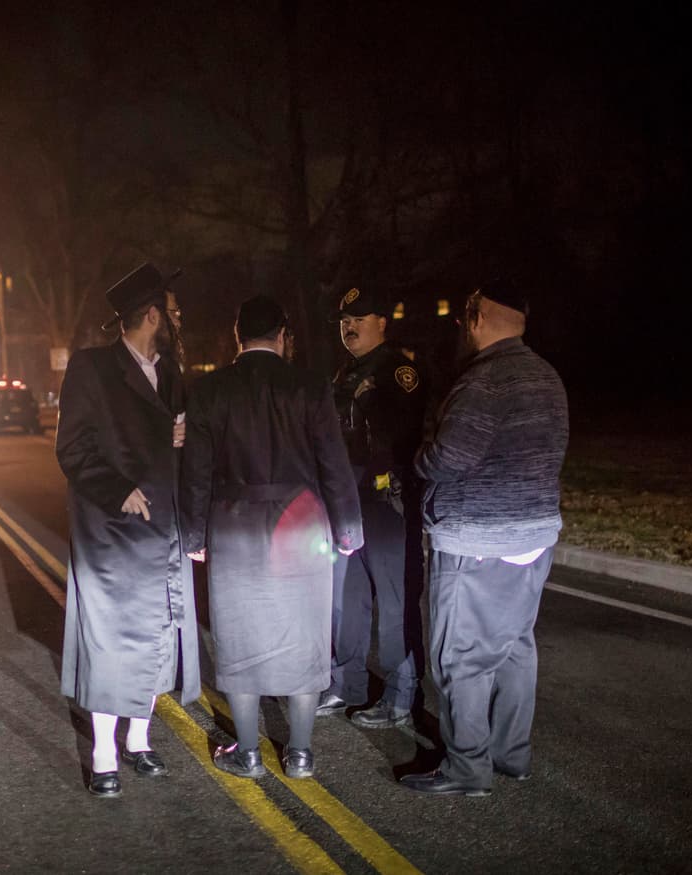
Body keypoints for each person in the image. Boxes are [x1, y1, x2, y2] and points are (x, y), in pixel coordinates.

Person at [181, 295, 363, 779]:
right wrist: (348, 528)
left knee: (238, 639)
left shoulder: (209, 390)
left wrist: (193, 534)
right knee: (306, 638)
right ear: (283, 336)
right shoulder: (309, 386)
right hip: (301, 522)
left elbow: (195, 472)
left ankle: (249, 754)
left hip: (234, 524)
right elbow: (333, 462)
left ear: (237, 337)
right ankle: (300, 755)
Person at [400, 279, 568, 797]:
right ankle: (510, 755)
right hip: (534, 535)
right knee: (516, 646)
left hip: (477, 537)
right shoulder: (547, 376)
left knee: (461, 657)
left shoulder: (483, 381)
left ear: (474, 316)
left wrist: (419, 458)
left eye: (463, 318)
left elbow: (449, 458)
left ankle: (467, 767)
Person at [56, 262, 197, 798]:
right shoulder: (92, 368)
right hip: (112, 531)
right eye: (174, 311)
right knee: (112, 644)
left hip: (163, 529)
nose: (179, 320)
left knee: (160, 634)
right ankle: (103, 754)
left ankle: (139, 740)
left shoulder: (175, 373)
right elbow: (72, 448)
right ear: (153, 315)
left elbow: (173, 443)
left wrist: (179, 439)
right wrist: (118, 489)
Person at [319, 287, 427, 728]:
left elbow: (402, 432)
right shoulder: (347, 370)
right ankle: (347, 683)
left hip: (387, 498)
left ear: (382, 321)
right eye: (344, 320)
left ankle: (401, 697)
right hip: (350, 495)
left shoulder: (398, 370)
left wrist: (368, 399)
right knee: (348, 597)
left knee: (395, 599)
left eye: (359, 318)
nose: (349, 326)